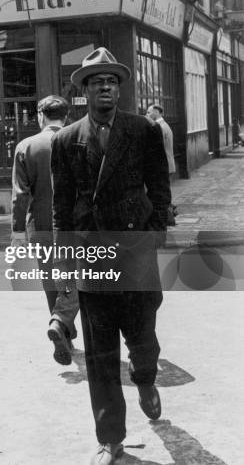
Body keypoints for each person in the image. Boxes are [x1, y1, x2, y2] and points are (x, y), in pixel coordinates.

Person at [51, 48, 171, 465]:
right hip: (92, 256)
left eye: (113, 81)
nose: (106, 87)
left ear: (119, 89)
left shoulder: (142, 130)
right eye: (98, 81)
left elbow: (160, 187)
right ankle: (110, 438)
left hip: (135, 249)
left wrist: (156, 235)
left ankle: (146, 379)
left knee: (143, 339)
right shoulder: (66, 140)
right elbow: (61, 205)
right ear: (83, 90)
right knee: (100, 354)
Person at [11, 95, 79, 365]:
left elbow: (20, 195)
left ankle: (64, 331)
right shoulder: (79, 140)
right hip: (76, 225)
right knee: (78, 277)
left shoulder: (26, 146)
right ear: (66, 116)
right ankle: (62, 325)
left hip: (39, 225)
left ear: (40, 115)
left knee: (51, 279)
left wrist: (17, 233)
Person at [146, 103, 177, 225]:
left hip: (163, 166)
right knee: (162, 191)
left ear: (156, 112)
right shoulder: (164, 125)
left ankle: (167, 217)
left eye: (149, 112)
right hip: (167, 164)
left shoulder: (159, 127)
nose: (147, 114)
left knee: (161, 193)